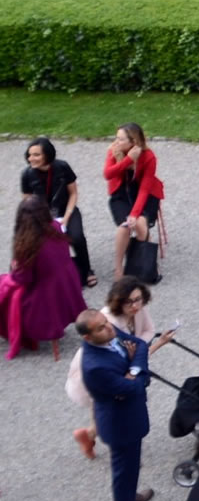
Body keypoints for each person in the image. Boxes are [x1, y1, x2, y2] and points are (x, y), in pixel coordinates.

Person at [77, 306, 164, 501]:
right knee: (123, 471)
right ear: (88, 337)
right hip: (119, 424)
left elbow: (141, 345)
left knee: (132, 465)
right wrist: (136, 373)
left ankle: (128, 497)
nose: (109, 328)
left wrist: (133, 368)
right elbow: (134, 387)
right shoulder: (95, 366)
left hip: (130, 416)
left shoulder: (107, 329)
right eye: (101, 328)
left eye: (106, 323)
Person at [69, 275, 170, 457]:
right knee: (108, 409)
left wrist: (139, 351)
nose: (135, 306)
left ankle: (89, 436)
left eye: (138, 299)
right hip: (102, 370)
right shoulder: (110, 323)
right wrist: (155, 345)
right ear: (118, 303)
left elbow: (147, 332)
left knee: (103, 411)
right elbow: (127, 356)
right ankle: (96, 438)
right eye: (129, 302)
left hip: (118, 365)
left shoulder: (138, 309)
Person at [0, 193, 83, 357]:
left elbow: (23, 279)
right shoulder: (56, 227)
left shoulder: (28, 245)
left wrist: (15, 267)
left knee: (4, 290)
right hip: (66, 287)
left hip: (44, 298)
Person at [21, 136, 93, 287]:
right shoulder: (27, 175)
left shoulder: (62, 167)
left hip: (66, 210)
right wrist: (41, 221)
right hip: (41, 217)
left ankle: (86, 271)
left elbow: (73, 193)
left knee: (77, 237)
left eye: (36, 155)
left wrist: (66, 217)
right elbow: (27, 203)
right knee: (36, 242)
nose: (31, 158)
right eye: (29, 155)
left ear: (47, 155)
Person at [103, 122, 162, 283]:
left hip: (144, 195)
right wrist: (128, 160)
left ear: (133, 142)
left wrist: (135, 214)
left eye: (121, 139)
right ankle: (119, 268)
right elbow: (108, 174)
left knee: (140, 225)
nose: (116, 142)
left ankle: (142, 265)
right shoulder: (114, 151)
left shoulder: (149, 156)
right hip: (121, 194)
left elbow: (144, 189)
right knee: (124, 227)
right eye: (117, 138)